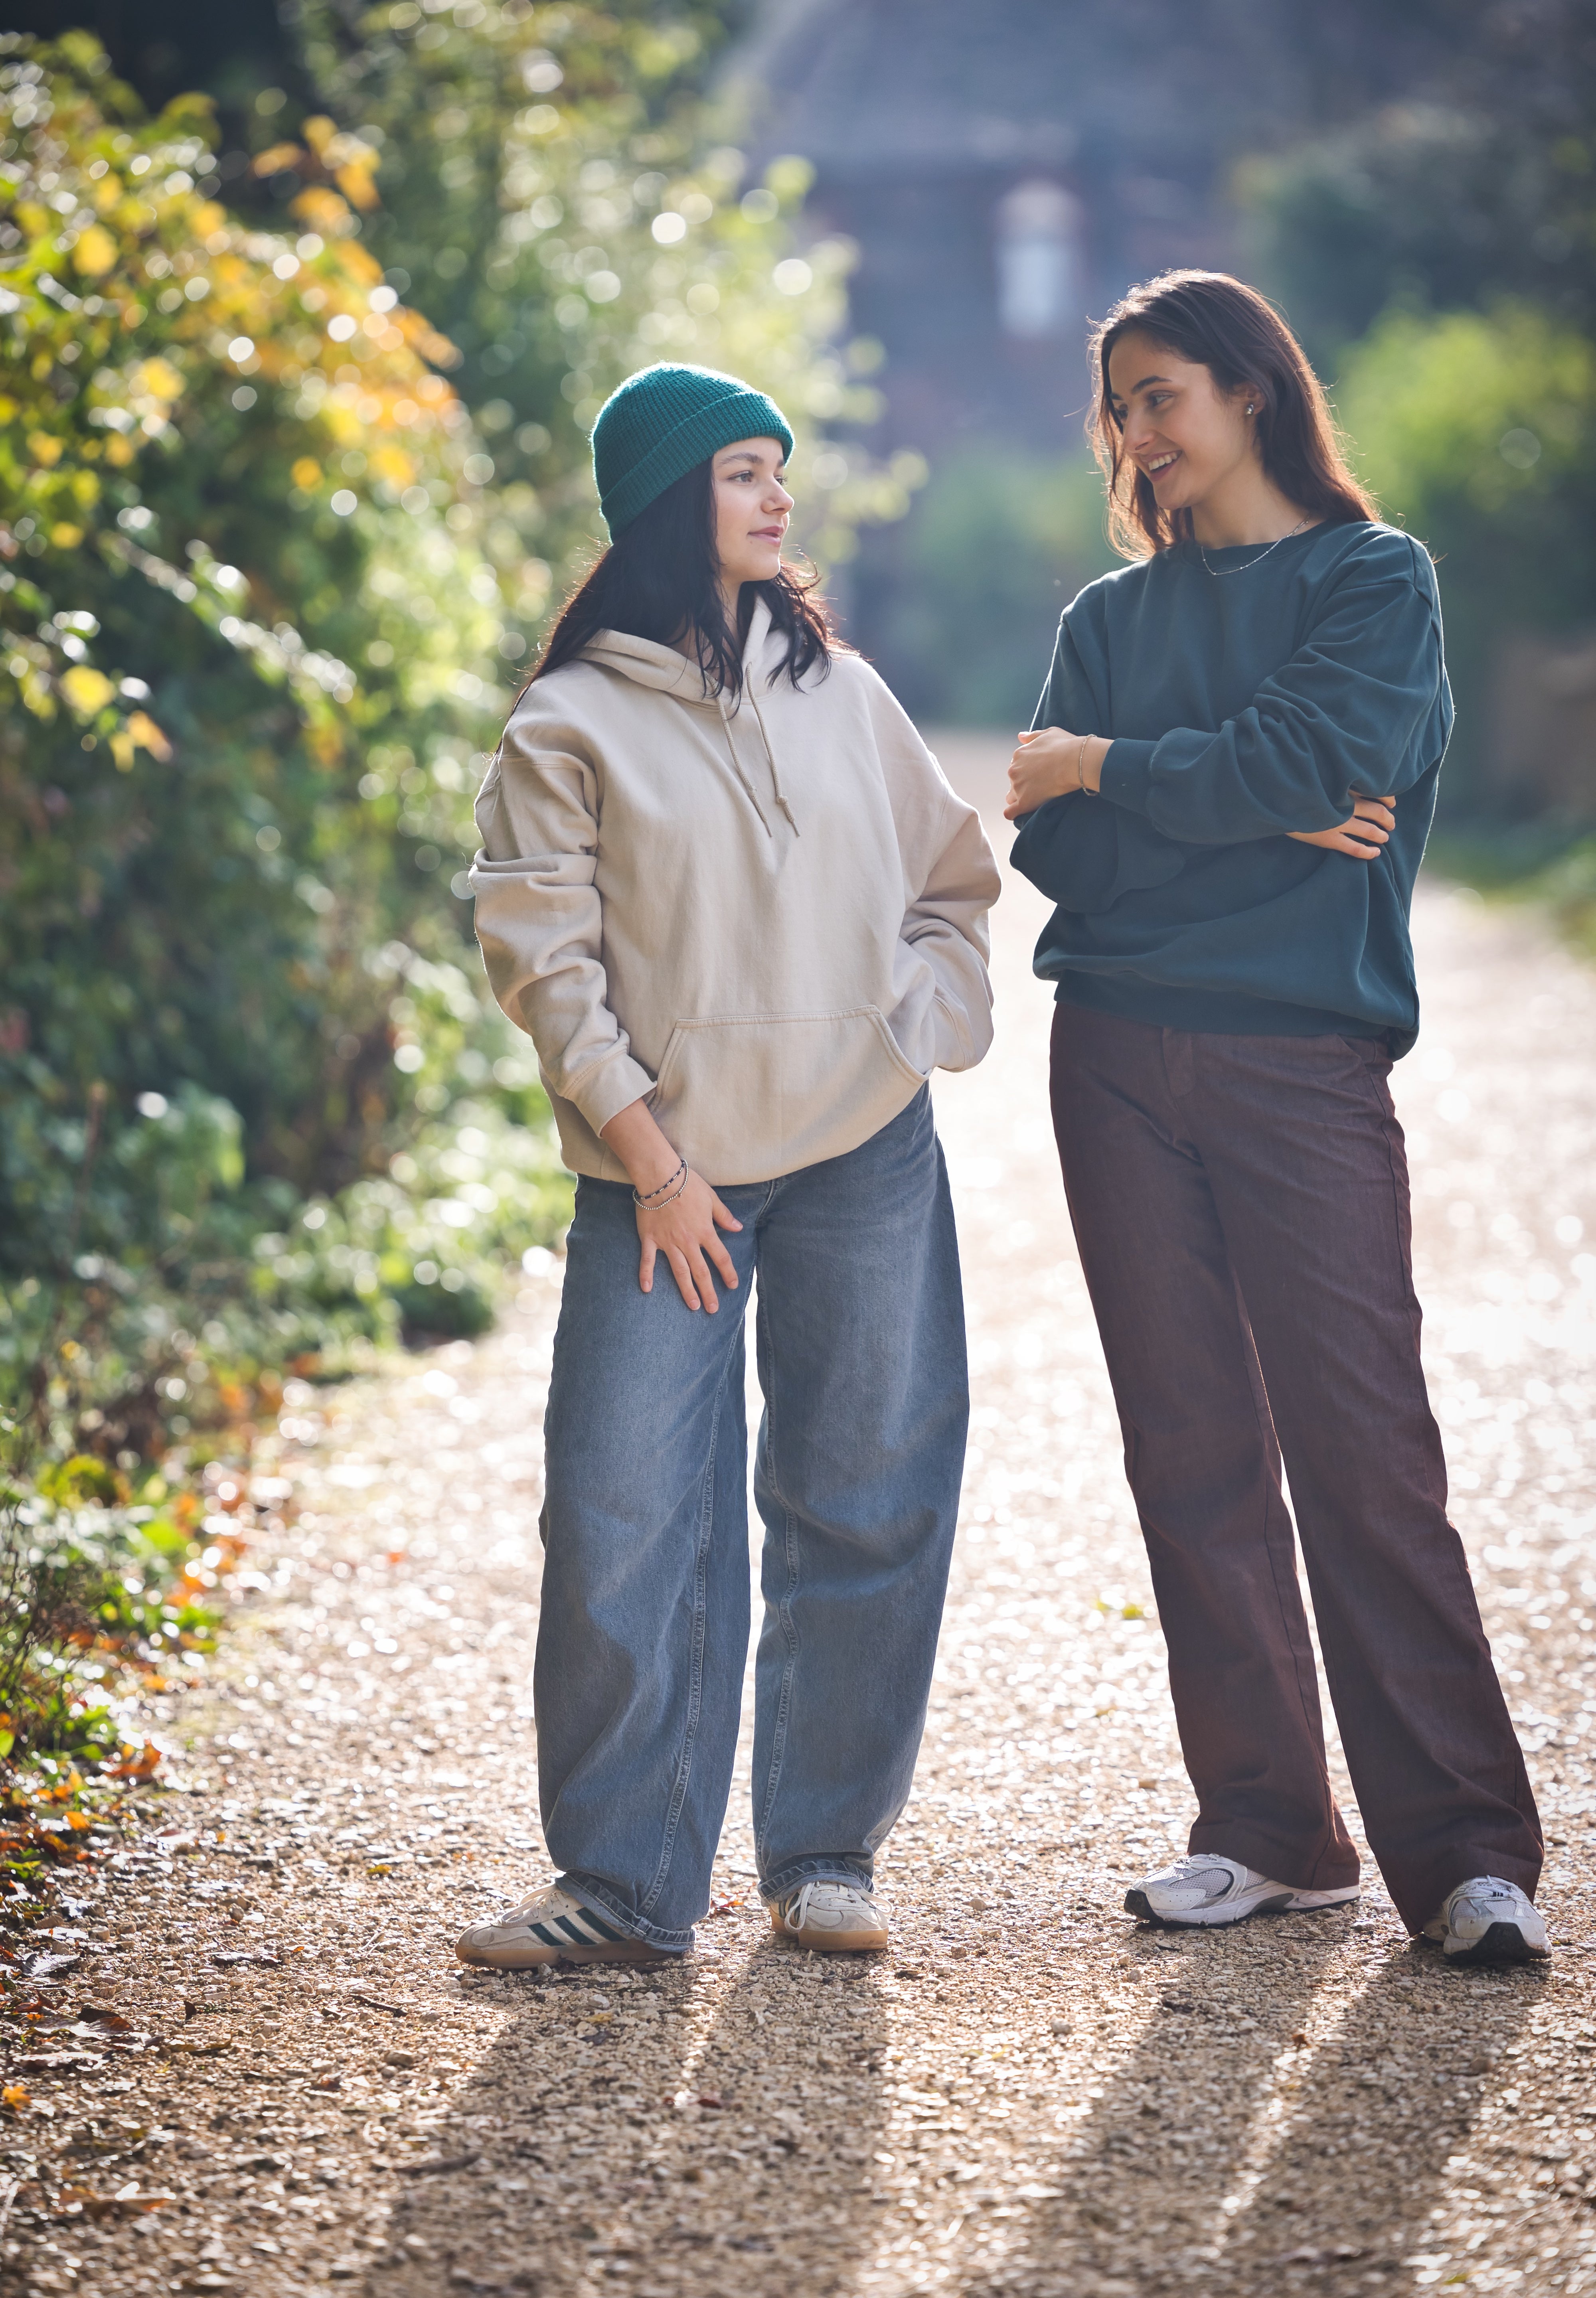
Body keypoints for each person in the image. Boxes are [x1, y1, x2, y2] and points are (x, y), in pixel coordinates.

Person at [1007, 270, 1546, 1968]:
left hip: (1299, 1062)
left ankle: (1463, 1856)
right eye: (1117, 407)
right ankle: (1266, 1829)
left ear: (1249, 390)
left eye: (1160, 392)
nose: (1136, 432)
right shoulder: (1108, 619)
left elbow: (1315, 764)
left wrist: (1111, 769)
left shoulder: (1372, 581)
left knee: (1362, 1451)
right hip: (1108, 1055)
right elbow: (1053, 850)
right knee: (1190, 1454)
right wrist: (1179, 786)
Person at [458, 361, 1000, 1967]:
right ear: (662, 503)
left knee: (865, 1485)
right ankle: (625, 1888)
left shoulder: (843, 692)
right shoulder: (566, 726)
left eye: (780, 469)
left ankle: (825, 1853)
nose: (776, 497)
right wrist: (654, 1158)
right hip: (665, 1173)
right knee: (625, 1509)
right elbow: (544, 963)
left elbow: (953, 883)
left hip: (862, 1149)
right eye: (740, 472)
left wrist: (912, 1025)